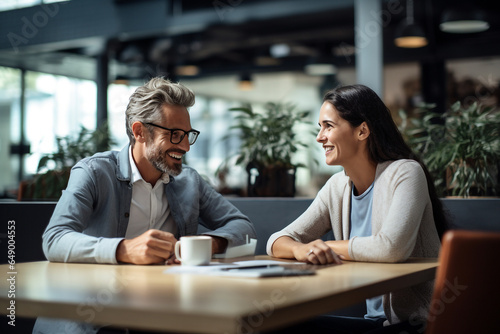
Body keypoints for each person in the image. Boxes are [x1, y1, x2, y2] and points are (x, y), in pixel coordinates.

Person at [33, 77, 256, 334]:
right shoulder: (94, 172)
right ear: (139, 131)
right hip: (92, 319)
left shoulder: (189, 181)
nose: (184, 146)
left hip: (161, 316)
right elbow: (55, 239)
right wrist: (124, 250)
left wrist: (207, 244)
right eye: (174, 134)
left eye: (187, 135)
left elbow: (244, 227)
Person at [266, 84, 447, 334]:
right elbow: (276, 240)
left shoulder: (405, 172)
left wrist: (325, 247)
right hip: (374, 323)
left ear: (362, 131)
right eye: (320, 128)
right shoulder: (337, 186)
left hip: (415, 324)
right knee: (274, 325)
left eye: (328, 126)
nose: (320, 137)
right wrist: (301, 249)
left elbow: (391, 247)